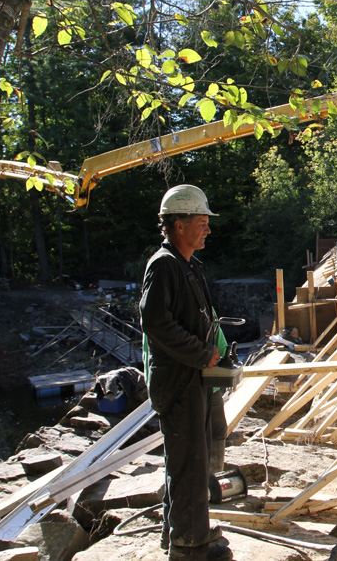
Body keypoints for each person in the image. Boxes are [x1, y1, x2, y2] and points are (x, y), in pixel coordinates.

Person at [140, 184, 232, 561]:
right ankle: (189, 548)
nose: (207, 229)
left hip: (191, 378)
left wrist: (214, 355)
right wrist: (200, 354)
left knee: (186, 462)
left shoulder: (187, 265)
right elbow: (156, 322)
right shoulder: (164, 265)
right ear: (178, 225)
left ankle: (179, 534)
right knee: (189, 466)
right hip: (178, 383)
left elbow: (196, 319)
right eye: (201, 223)